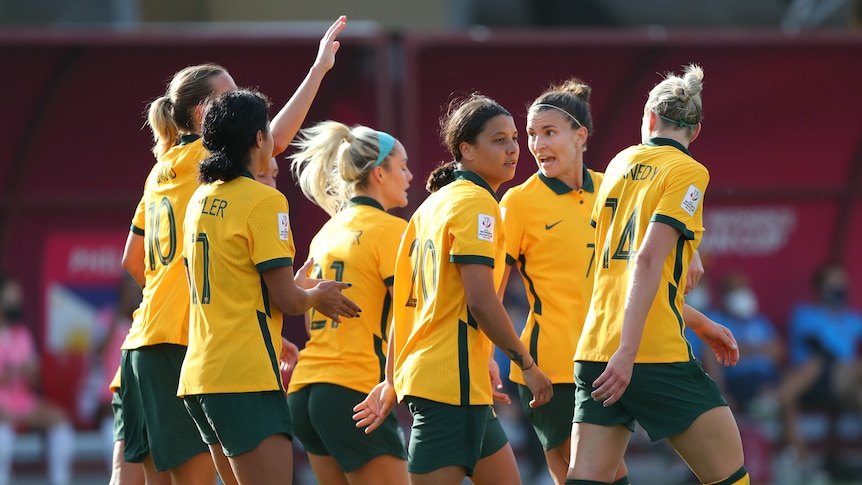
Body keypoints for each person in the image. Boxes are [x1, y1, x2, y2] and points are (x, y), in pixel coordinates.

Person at [118, 16, 348, 485]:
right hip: (186, 344)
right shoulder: (203, 164)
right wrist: (319, 69)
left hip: (148, 340)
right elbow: (271, 141)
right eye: (231, 97)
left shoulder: (164, 169)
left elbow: (131, 261)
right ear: (205, 114)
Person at [500, 78, 730, 485]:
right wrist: (505, 359)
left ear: (581, 136)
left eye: (548, 133)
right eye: (531, 134)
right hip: (555, 368)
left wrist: (697, 316)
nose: (536, 145)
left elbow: (620, 279)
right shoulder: (519, 202)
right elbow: (490, 292)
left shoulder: (615, 180)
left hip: (601, 355)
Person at [355, 93, 554, 485]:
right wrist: (527, 366)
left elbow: (406, 306)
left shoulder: (430, 206)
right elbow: (480, 300)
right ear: (467, 149)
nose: (514, 148)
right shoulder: (476, 205)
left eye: (514, 138)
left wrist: (394, 379)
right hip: (450, 387)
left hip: (459, 384)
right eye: (499, 140)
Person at [567, 64, 748, 485]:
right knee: (730, 477)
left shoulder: (617, 162)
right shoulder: (689, 171)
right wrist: (629, 352)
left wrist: (698, 320)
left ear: (648, 119)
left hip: (595, 350)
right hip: (649, 353)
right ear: (696, 131)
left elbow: (618, 271)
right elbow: (646, 261)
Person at [179, 89, 360, 485]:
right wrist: (317, 295)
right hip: (244, 376)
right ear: (260, 138)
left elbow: (211, 285)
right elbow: (288, 300)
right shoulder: (265, 201)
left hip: (199, 375)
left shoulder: (198, 199)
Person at [285, 121, 412, 484]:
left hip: (307, 391)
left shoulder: (327, 231)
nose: (409, 175)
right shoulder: (392, 230)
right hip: (353, 389)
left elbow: (313, 319)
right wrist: (391, 380)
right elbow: (405, 314)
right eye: (402, 166)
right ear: (379, 173)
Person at [777, 262, 862, 464]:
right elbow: (819, 348)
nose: (838, 287)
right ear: (820, 287)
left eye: (842, 282)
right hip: (814, 380)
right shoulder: (804, 313)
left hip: (845, 384)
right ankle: (801, 460)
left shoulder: (852, 318)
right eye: (833, 282)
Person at [0, 275, 74, 485]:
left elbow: (33, 380)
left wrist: (32, 373)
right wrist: (14, 372)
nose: (15, 304)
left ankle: (60, 480)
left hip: (23, 403)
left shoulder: (22, 333)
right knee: (3, 433)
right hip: (1, 406)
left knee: (60, 419)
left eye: (17, 299)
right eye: (10, 299)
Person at [705, 271, 783, 416]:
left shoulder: (760, 321)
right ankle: (766, 401)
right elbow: (712, 352)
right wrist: (760, 349)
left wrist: (742, 348)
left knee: (790, 389)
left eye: (744, 288)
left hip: (768, 376)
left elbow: (778, 351)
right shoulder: (714, 320)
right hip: (739, 379)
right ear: (723, 296)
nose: (741, 294)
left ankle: (790, 437)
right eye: (734, 290)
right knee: (769, 393)